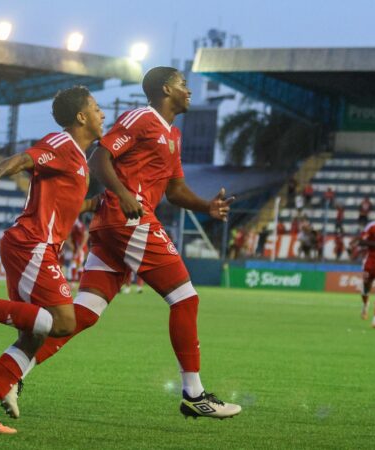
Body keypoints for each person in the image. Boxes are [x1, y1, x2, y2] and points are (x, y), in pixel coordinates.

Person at [26, 67, 241, 419]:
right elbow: (99, 157)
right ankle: (194, 394)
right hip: (129, 219)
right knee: (185, 298)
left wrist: (207, 206)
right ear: (166, 89)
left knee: (85, 312)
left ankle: (14, 371)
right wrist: (124, 194)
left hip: (114, 226)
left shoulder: (172, 134)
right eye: (183, 85)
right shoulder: (141, 118)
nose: (189, 91)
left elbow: (175, 190)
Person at [0, 86, 104, 433]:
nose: (103, 114)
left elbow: (66, 206)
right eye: (97, 108)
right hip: (32, 245)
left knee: (32, 336)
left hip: (36, 247)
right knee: (63, 323)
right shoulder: (62, 143)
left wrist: (97, 204)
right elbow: (26, 158)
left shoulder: (78, 161)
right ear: (81, 116)